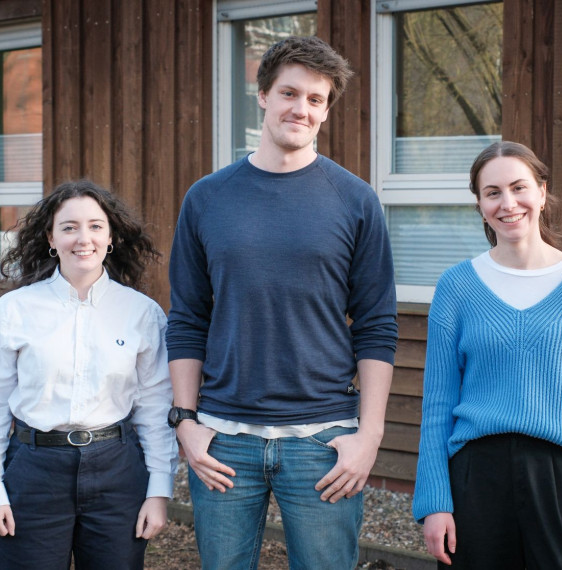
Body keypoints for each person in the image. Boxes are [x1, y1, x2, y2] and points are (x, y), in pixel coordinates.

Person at [166, 35, 398, 569]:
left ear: (326, 111)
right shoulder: (207, 197)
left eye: (316, 100)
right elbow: (187, 319)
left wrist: (370, 435)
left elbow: (377, 325)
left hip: (323, 442)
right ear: (264, 95)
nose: (303, 108)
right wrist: (185, 421)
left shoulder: (356, 200)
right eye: (290, 93)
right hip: (225, 440)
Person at [0, 180, 179, 569]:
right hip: (33, 472)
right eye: (69, 227)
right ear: (51, 237)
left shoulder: (142, 313)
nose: (84, 238)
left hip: (117, 471)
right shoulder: (13, 311)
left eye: (96, 226)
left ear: (110, 236)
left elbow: (154, 407)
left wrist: (158, 491)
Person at [413, 141, 562, 569]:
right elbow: (437, 405)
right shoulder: (457, 286)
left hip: (560, 476)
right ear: (480, 204)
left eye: (519, 187)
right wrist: (434, 502)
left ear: (541, 190)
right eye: (493, 192)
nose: (508, 203)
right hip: (476, 479)